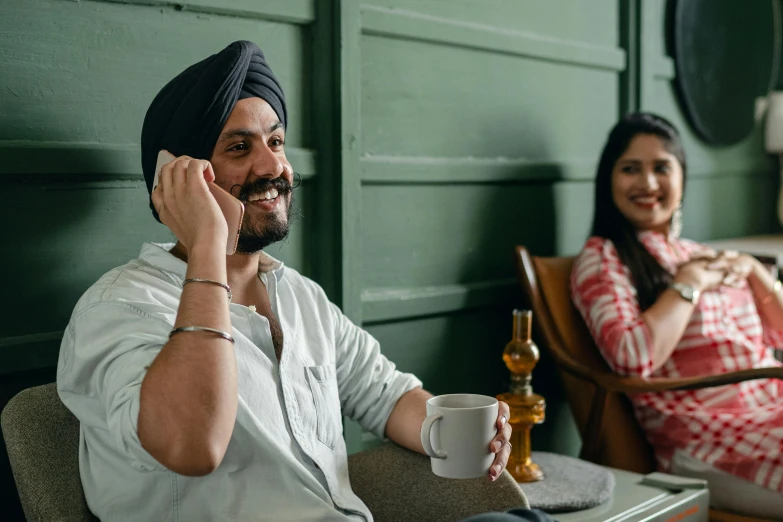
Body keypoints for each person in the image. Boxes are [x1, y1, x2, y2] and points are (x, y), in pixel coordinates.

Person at [56, 40, 552, 522]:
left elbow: (387, 395)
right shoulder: (118, 307)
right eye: (238, 147)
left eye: (275, 141)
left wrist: (452, 434)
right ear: (178, 180)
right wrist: (208, 244)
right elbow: (192, 445)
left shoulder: (298, 296)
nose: (273, 166)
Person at [570, 112, 783, 519]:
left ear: (682, 178)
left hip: (770, 410)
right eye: (630, 169)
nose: (648, 184)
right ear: (608, 181)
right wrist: (687, 284)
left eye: (662, 168)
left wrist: (754, 270)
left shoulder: (696, 251)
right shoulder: (603, 258)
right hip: (708, 438)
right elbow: (633, 357)